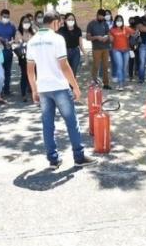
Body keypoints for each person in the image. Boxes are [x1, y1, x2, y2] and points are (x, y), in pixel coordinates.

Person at [26, 12, 97, 169]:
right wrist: (76, 87)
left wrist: (34, 89)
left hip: (43, 88)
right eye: (60, 23)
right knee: (71, 122)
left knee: (48, 124)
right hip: (59, 87)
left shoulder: (32, 41)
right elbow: (64, 66)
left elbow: (30, 70)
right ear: (55, 23)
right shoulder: (57, 39)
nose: (62, 25)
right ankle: (79, 157)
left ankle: (53, 160)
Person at [0, 9, 17, 97]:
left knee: (8, 71)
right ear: (0, 16)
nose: (6, 18)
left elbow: (14, 37)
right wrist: (0, 40)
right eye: (4, 16)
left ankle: (7, 89)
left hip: (8, 51)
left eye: (7, 16)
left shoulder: (12, 25)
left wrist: (11, 42)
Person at [86, 9, 112, 89]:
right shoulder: (91, 24)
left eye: (103, 16)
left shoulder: (105, 24)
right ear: (97, 15)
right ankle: (94, 82)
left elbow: (108, 34)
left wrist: (107, 37)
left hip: (106, 48)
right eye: (101, 16)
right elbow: (88, 37)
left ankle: (106, 84)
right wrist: (97, 37)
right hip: (96, 48)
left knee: (105, 66)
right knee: (96, 66)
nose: (102, 18)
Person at [110, 15, 135, 91]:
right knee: (119, 66)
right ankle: (120, 84)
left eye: (120, 20)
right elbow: (110, 40)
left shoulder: (126, 28)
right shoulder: (112, 30)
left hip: (126, 50)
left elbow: (135, 33)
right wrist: (109, 37)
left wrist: (132, 37)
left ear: (123, 21)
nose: (119, 22)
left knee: (124, 67)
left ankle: (123, 82)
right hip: (116, 50)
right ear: (115, 21)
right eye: (118, 20)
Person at [14, 15, 35, 102]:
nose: (26, 23)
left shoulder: (33, 31)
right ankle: (23, 94)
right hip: (24, 57)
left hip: (34, 56)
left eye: (28, 22)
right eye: (24, 22)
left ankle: (35, 92)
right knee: (25, 75)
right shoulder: (19, 32)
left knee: (34, 74)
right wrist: (25, 42)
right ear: (21, 23)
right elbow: (19, 42)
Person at [128, 16, 141, 81]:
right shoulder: (128, 28)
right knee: (131, 61)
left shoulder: (138, 28)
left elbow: (139, 37)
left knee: (138, 60)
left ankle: (137, 71)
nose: (132, 22)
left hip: (137, 46)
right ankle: (130, 75)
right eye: (131, 21)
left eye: (133, 20)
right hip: (131, 46)